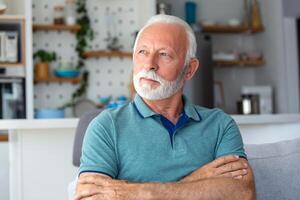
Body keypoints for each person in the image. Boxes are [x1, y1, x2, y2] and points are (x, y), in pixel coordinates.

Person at [75, 14, 255, 200]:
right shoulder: (106, 126)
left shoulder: (220, 125)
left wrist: (137, 193)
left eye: (164, 54)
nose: (150, 65)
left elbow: (242, 194)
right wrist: (197, 179)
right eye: (143, 52)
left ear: (190, 69)